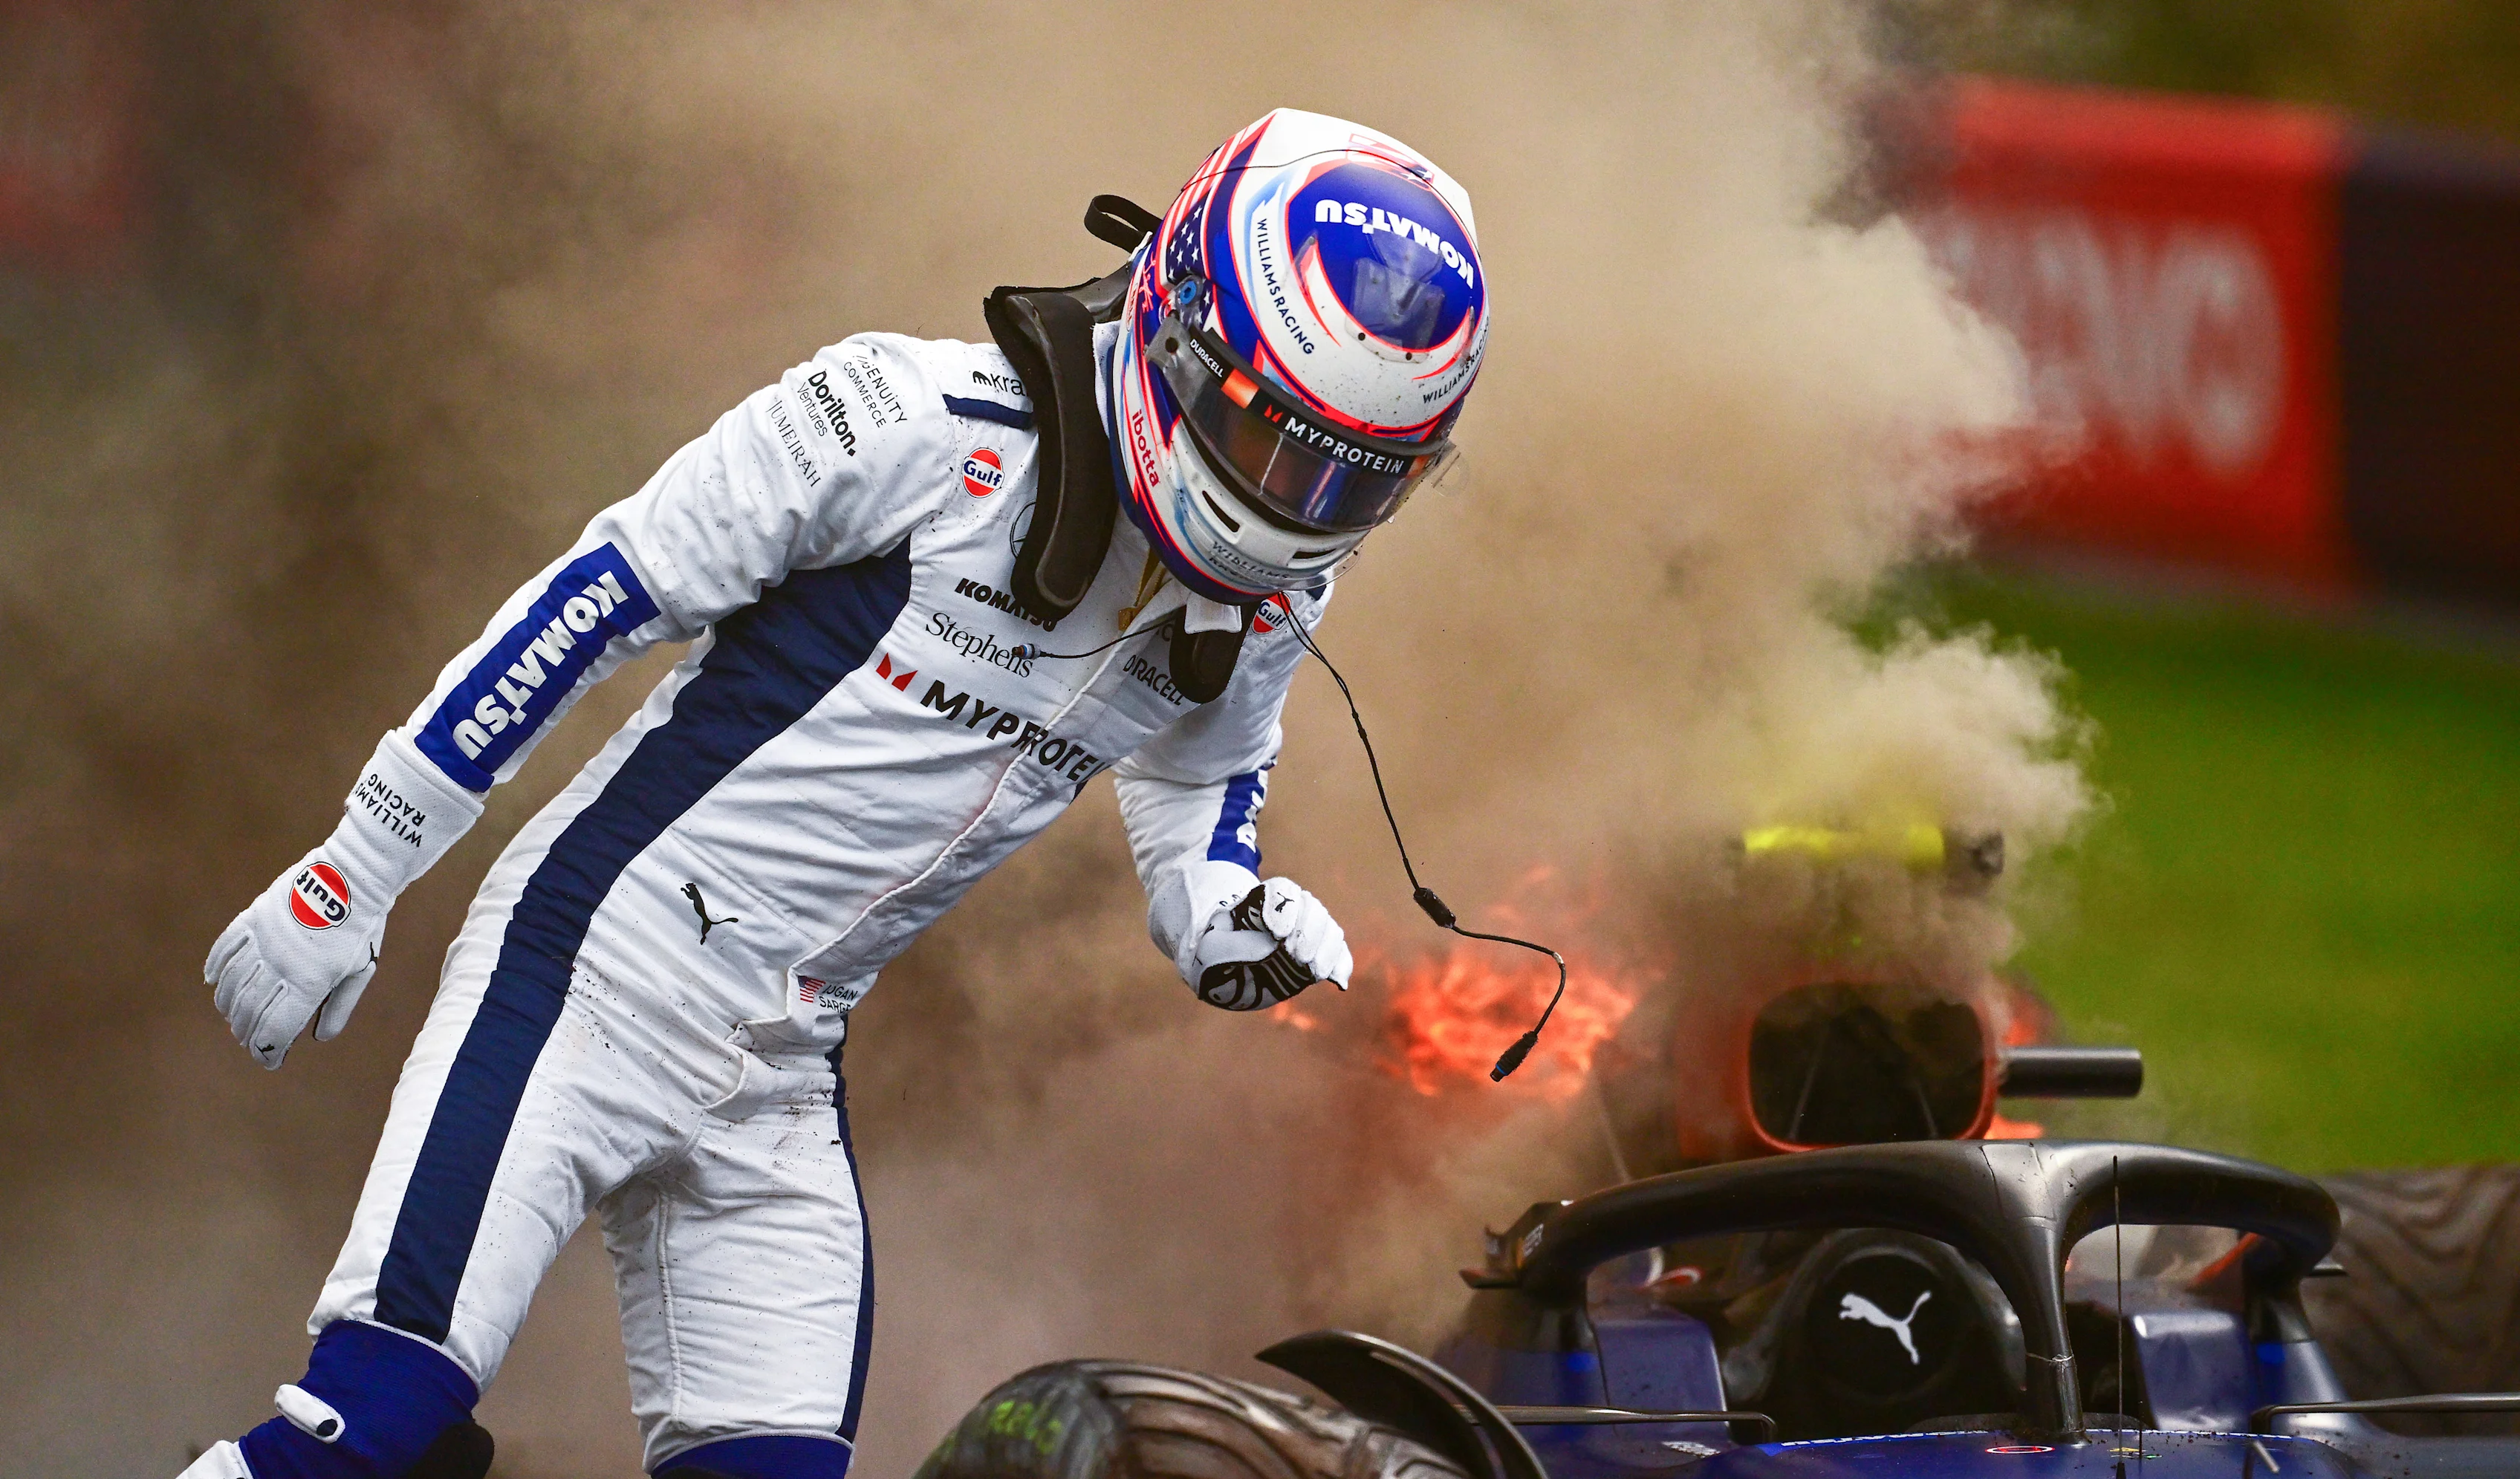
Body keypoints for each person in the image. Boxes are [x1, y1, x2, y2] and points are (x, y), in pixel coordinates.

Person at [185, 107, 1489, 1479]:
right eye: (1274, 438)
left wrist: (1218, 908)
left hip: (784, 1066)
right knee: (366, 1425)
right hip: (587, 973)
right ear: (1181, 328)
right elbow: (595, 600)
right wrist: (363, 858)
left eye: (1355, 473)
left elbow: (1204, 767)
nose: (1299, 496)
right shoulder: (908, 421)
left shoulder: (1286, 582)